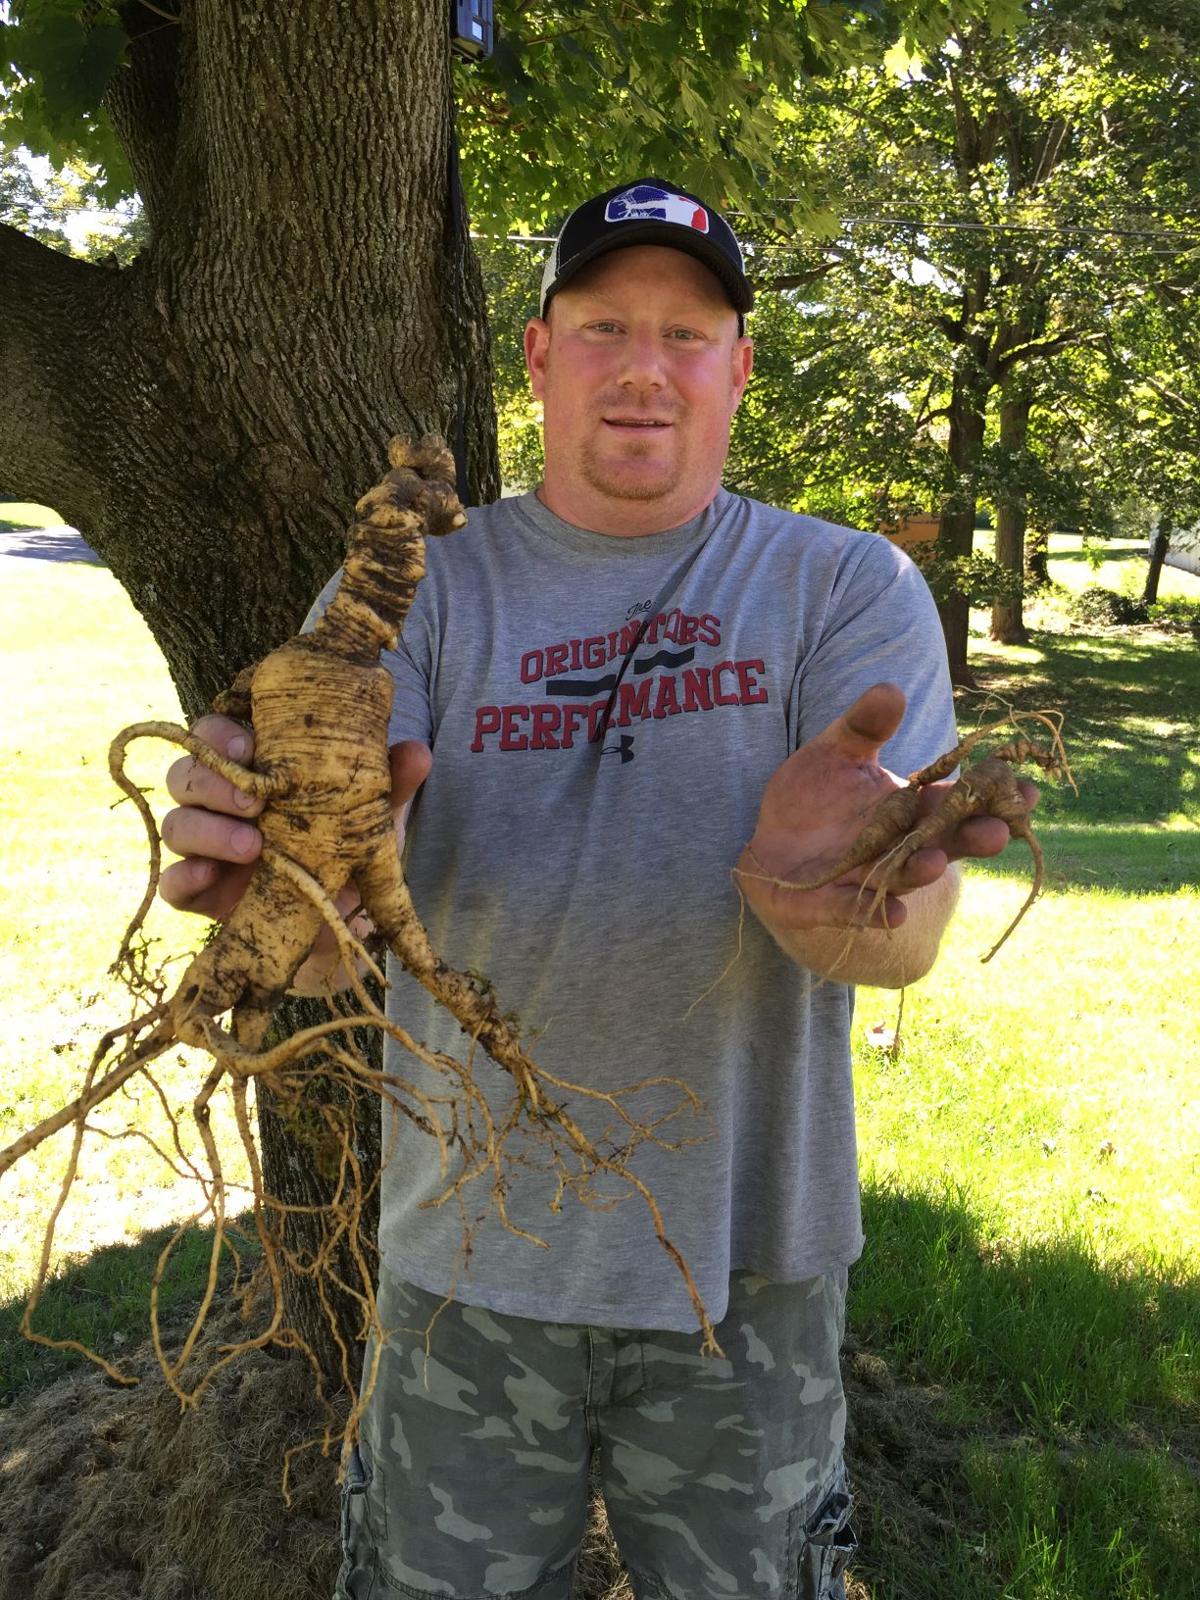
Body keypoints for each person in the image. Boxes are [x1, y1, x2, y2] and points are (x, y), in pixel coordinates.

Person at [159, 179, 1034, 1600]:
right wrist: (267, 901)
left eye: (688, 334)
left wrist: (842, 905)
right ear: (539, 355)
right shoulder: (412, 593)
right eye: (606, 324)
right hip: (465, 1264)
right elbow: (331, 938)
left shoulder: (840, 589)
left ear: (740, 368)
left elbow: (912, 931)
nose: (645, 366)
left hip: (748, 1272)